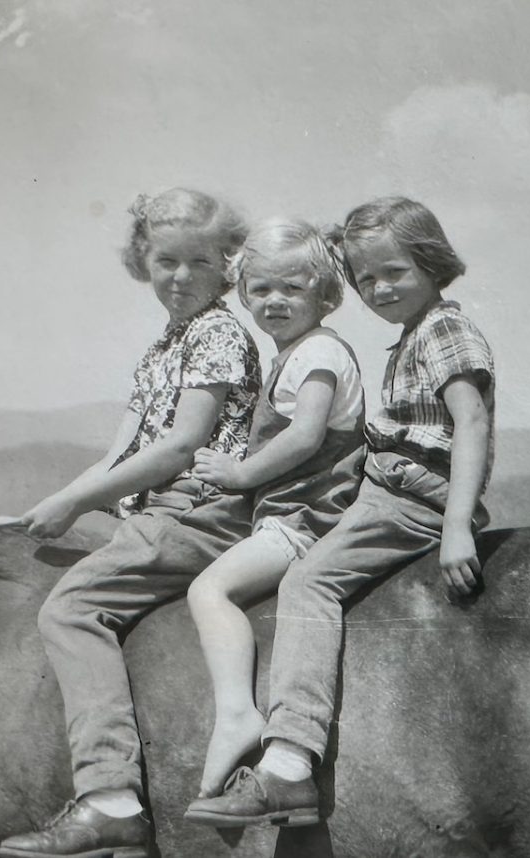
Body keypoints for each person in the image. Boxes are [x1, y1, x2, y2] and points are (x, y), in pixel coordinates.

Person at [0, 188, 261, 858]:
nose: (181, 276)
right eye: (166, 261)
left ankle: (110, 799)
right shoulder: (160, 350)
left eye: (198, 261)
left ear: (227, 265)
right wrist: (40, 513)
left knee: (69, 609)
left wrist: (72, 507)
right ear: (143, 264)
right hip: (158, 512)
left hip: (199, 515)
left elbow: (179, 448)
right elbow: (117, 458)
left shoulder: (219, 333)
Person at [186, 197, 495, 828]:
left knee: (309, 580)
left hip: (412, 498)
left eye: (395, 273)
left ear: (433, 264)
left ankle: (289, 763)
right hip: (388, 488)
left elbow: (472, 421)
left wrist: (458, 525)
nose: (378, 288)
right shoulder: (415, 334)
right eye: (366, 278)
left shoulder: (444, 331)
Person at [183, 218, 365, 802]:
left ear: (324, 293)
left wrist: (237, 475)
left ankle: (237, 714)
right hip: (291, 511)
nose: (274, 301)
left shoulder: (318, 353)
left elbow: (306, 436)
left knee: (208, 591)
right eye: (260, 290)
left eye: (291, 288)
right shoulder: (297, 352)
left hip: (306, 517)